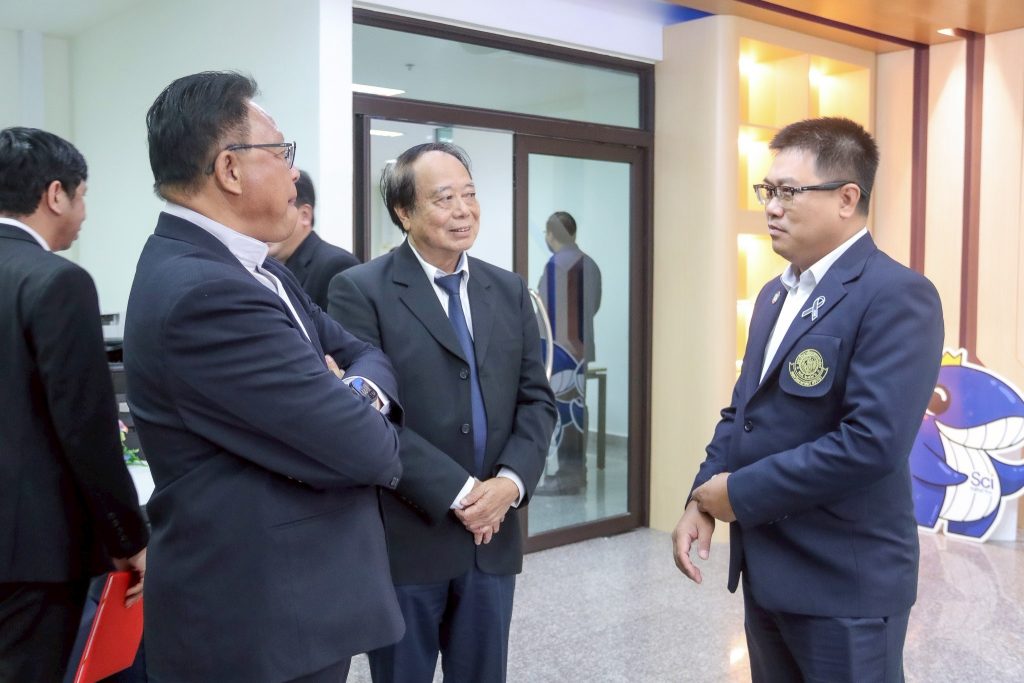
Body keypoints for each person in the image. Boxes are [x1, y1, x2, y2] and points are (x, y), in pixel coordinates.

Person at [124, 71, 405, 682]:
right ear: (229, 168)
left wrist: (350, 388)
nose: (294, 174)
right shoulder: (205, 291)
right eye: (282, 153)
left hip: (296, 601)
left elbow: (364, 353)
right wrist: (349, 396)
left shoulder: (255, 268)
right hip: (260, 617)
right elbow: (366, 447)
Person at [672, 117, 944, 682]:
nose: (772, 207)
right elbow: (742, 412)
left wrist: (738, 494)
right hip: (769, 573)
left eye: (789, 192)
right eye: (767, 190)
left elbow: (871, 443)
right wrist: (702, 497)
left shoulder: (896, 295)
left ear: (847, 198)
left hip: (845, 584)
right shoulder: (773, 295)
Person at [327, 142, 556, 683]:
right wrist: (461, 492)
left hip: (491, 538)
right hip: (408, 539)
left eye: (469, 195)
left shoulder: (507, 289)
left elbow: (536, 400)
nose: (463, 210)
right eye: (444, 198)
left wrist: (508, 485)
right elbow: (369, 418)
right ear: (404, 212)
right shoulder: (361, 290)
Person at [0, 127, 148, 682]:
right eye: (82, 195)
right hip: (30, 554)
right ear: (55, 194)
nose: (84, 213)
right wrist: (128, 538)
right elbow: (85, 429)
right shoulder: (57, 282)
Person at [534, 210, 602, 496]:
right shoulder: (589, 263)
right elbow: (594, 305)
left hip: (559, 351)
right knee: (577, 409)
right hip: (581, 350)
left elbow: (544, 312)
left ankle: (567, 477)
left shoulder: (556, 265)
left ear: (552, 235)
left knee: (564, 412)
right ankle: (577, 471)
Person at [267, 169, 359, 309]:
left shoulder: (336, 265)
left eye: (273, 212)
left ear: (305, 215)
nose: (263, 224)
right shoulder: (267, 266)